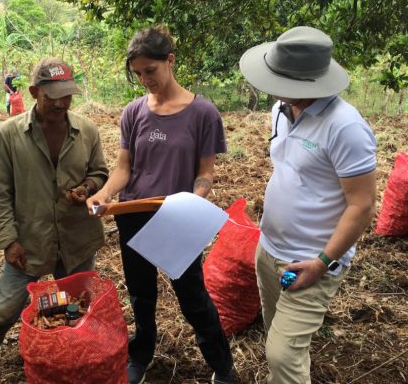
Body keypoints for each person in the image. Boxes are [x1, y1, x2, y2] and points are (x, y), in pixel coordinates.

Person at [87, 26, 235, 384]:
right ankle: (141, 355)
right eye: (138, 74)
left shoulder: (203, 113)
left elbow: (205, 174)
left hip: (177, 220)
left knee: (192, 296)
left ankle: (222, 365)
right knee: (141, 294)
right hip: (133, 215)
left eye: (150, 71)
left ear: (170, 61)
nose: (144, 80)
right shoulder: (134, 112)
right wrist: (104, 194)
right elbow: (125, 168)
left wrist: (192, 204)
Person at [239, 26, 377, 384]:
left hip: (311, 261)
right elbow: (292, 173)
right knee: (276, 329)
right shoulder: (281, 110)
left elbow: (362, 205)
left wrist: (322, 262)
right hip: (269, 251)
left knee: (281, 354)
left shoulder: (345, 127)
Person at [0, 57, 108, 383]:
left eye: (66, 95)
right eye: (51, 95)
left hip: (76, 238)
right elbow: (0, 193)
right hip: (29, 240)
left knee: (74, 305)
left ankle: (62, 359)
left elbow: (100, 173)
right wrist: (9, 241)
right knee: (4, 309)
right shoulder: (10, 134)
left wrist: (87, 188)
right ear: (34, 91)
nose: (60, 102)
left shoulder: (87, 131)